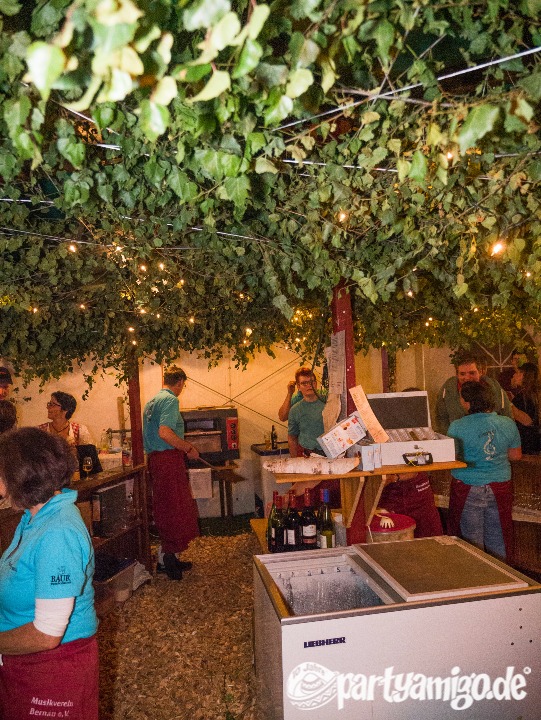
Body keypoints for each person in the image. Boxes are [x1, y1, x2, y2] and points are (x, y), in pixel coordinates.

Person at [0, 428, 98, 720]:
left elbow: (46, 634)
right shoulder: (35, 516)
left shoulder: (58, 531)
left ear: (21, 476)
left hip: (53, 668)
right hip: (24, 662)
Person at [447, 381, 521, 561]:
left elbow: (451, 459)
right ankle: (501, 577)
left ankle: (475, 577)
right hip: (500, 486)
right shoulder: (507, 423)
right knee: (499, 539)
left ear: (466, 402)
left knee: (471, 543)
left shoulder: (457, 426)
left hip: (467, 487)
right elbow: (515, 455)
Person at [143, 366, 200, 580]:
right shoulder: (170, 400)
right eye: (183, 385)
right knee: (175, 508)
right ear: (180, 382)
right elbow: (165, 432)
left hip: (156, 460)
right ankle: (168, 557)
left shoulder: (151, 401)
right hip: (168, 459)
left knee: (165, 508)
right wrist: (188, 448)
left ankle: (168, 557)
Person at [435, 354, 512, 434]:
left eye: (472, 373)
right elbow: (441, 418)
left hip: (489, 437)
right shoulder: (448, 389)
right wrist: (449, 438)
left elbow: (506, 414)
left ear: (480, 372)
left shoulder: (494, 388)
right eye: (462, 374)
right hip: (457, 438)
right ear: (457, 374)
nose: (467, 378)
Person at [287, 367, 326, 458]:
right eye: (304, 383)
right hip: (307, 455)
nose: (309, 385)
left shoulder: (328, 402)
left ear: (316, 383)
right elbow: (292, 438)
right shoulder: (295, 410)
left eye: (312, 382)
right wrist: (295, 461)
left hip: (330, 454)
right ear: (298, 387)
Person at [511, 362, 540, 455]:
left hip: (529, 444)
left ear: (525, 375)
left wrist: (509, 404)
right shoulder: (534, 393)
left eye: (518, 372)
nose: (514, 375)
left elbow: (528, 421)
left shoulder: (526, 396)